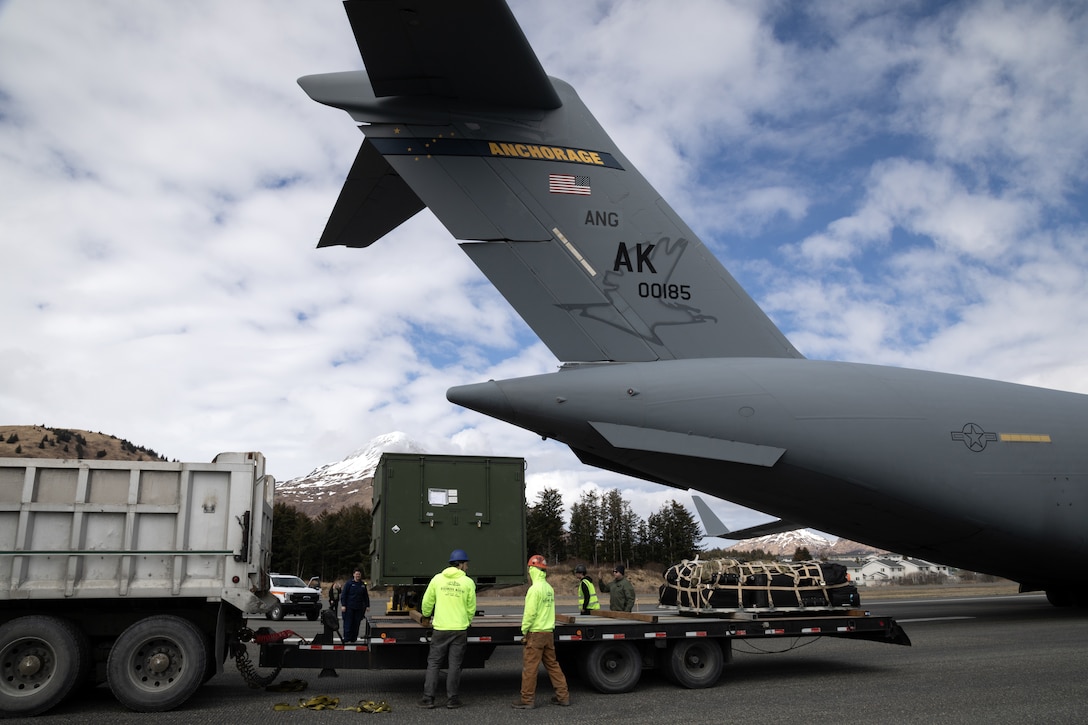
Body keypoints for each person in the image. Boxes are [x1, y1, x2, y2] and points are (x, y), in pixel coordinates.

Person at [419, 548, 476, 710]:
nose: (468, 567)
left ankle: (428, 698)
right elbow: (471, 607)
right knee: (454, 665)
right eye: (466, 564)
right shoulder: (468, 582)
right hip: (459, 629)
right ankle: (452, 699)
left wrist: (426, 615)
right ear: (461, 564)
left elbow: (427, 602)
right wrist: (467, 620)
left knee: (434, 664)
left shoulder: (437, 579)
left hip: (441, 628)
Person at [513, 555, 569, 709]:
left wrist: (524, 630)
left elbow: (530, 613)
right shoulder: (549, 588)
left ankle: (527, 699)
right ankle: (563, 696)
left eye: (530, 568)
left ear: (533, 570)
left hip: (536, 634)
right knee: (553, 665)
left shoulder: (534, 589)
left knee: (530, 668)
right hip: (548, 633)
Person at [340, 569, 370, 643]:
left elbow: (365, 596)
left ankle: (354, 638)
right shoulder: (349, 583)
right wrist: (343, 605)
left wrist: (367, 606)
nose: (358, 576)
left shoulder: (362, 585)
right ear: (353, 575)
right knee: (348, 623)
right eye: (356, 574)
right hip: (349, 607)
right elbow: (344, 595)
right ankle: (346, 638)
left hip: (359, 607)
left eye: (359, 574)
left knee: (356, 623)